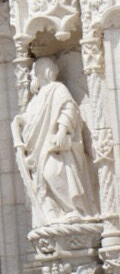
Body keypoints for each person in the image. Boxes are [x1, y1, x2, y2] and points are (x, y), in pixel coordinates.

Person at [13, 57, 98, 228]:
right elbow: (31, 119)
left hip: (56, 146)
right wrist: (17, 122)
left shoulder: (57, 89)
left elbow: (69, 108)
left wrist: (62, 131)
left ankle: (73, 209)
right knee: (43, 181)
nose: (30, 76)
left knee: (53, 173)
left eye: (33, 72)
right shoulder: (35, 99)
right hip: (38, 149)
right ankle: (55, 214)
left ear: (42, 72)